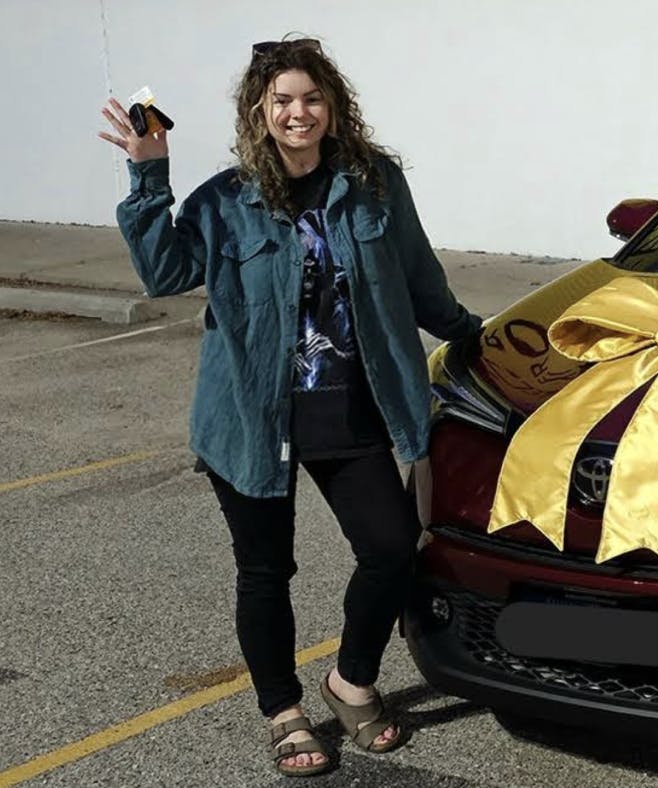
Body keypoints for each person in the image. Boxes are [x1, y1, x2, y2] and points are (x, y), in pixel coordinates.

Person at [98, 36, 482, 777]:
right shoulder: (224, 201)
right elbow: (163, 273)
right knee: (266, 570)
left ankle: (351, 681)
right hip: (251, 418)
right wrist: (149, 175)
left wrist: (477, 336)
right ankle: (284, 712)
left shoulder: (374, 184)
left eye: (311, 98)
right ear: (259, 110)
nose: (297, 112)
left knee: (391, 548)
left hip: (354, 409)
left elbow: (420, 279)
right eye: (282, 100)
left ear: (332, 106)